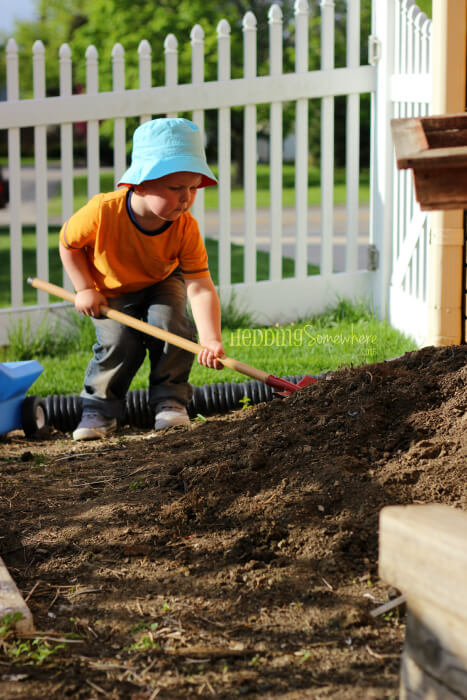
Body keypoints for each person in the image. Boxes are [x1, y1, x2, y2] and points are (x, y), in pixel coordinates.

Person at [59, 117, 225, 441]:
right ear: (141, 183)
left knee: (172, 325)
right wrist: (84, 288)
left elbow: (200, 286)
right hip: (111, 288)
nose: (186, 198)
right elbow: (69, 244)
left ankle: (171, 403)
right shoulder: (103, 211)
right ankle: (99, 410)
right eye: (176, 188)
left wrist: (210, 338)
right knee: (119, 341)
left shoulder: (185, 227)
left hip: (161, 281)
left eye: (193, 188)